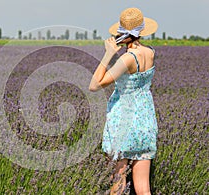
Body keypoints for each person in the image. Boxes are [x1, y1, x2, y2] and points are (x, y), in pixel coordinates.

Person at [89, 7, 159, 195]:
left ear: (122, 33)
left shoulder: (128, 59)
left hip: (124, 123)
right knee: (143, 188)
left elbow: (95, 85)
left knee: (118, 183)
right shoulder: (150, 52)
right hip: (145, 121)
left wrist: (108, 54)